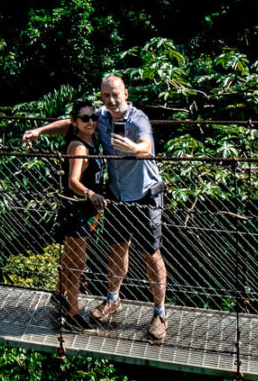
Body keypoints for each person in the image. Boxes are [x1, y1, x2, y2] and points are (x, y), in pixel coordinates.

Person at [92, 73, 168, 343]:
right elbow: (71, 122)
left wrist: (134, 147)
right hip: (118, 195)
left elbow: (147, 146)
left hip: (145, 195)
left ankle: (160, 313)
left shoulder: (138, 119)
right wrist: (39, 131)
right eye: (106, 95)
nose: (111, 100)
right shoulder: (100, 117)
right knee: (117, 249)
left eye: (115, 94)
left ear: (126, 93)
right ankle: (113, 299)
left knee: (151, 254)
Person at [21, 99, 109, 326]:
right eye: (85, 119)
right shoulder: (79, 146)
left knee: (71, 260)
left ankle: (60, 295)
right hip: (76, 210)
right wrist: (91, 193)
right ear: (76, 122)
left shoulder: (89, 138)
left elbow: (63, 125)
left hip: (84, 210)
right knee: (78, 263)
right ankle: (73, 313)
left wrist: (39, 131)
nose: (91, 122)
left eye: (94, 117)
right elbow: (72, 181)